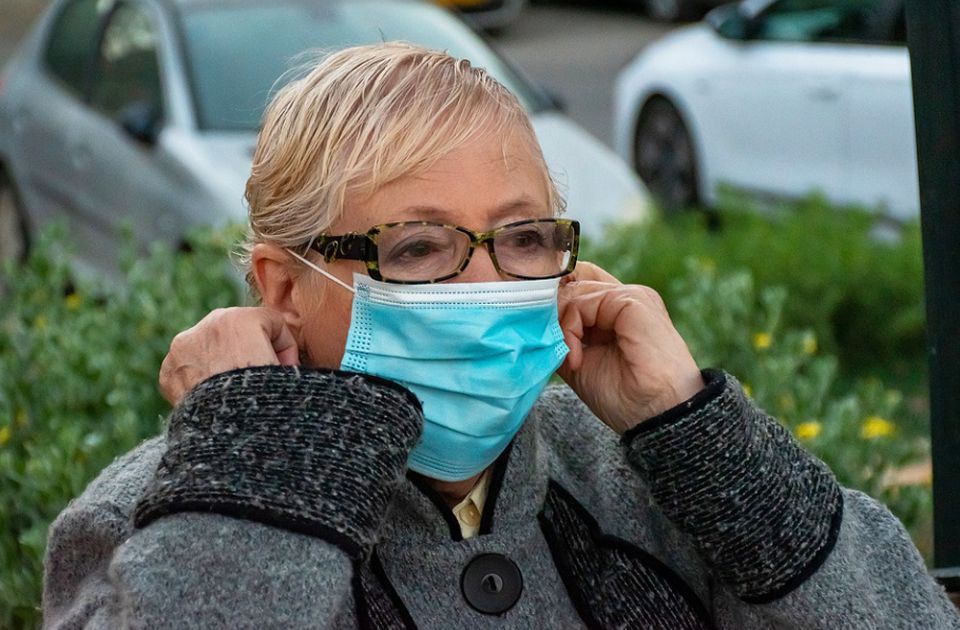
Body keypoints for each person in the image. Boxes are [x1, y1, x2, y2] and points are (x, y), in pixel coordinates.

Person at [43, 42, 959, 629]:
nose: (487, 286)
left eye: (524, 239)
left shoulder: (642, 483)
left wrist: (700, 436)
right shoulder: (150, 524)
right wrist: (258, 465)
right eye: (418, 246)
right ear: (282, 288)